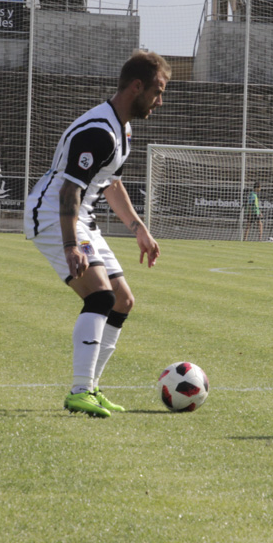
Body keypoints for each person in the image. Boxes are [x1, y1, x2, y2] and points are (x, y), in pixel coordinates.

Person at [23, 50, 170, 418]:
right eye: (157, 91)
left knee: (123, 301)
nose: (159, 100)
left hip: (81, 218)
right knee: (102, 296)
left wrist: (139, 229)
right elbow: (69, 190)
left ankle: (91, 387)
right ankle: (79, 391)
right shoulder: (99, 132)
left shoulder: (122, 128)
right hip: (54, 215)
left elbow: (111, 185)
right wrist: (71, 245)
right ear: (137, 87)